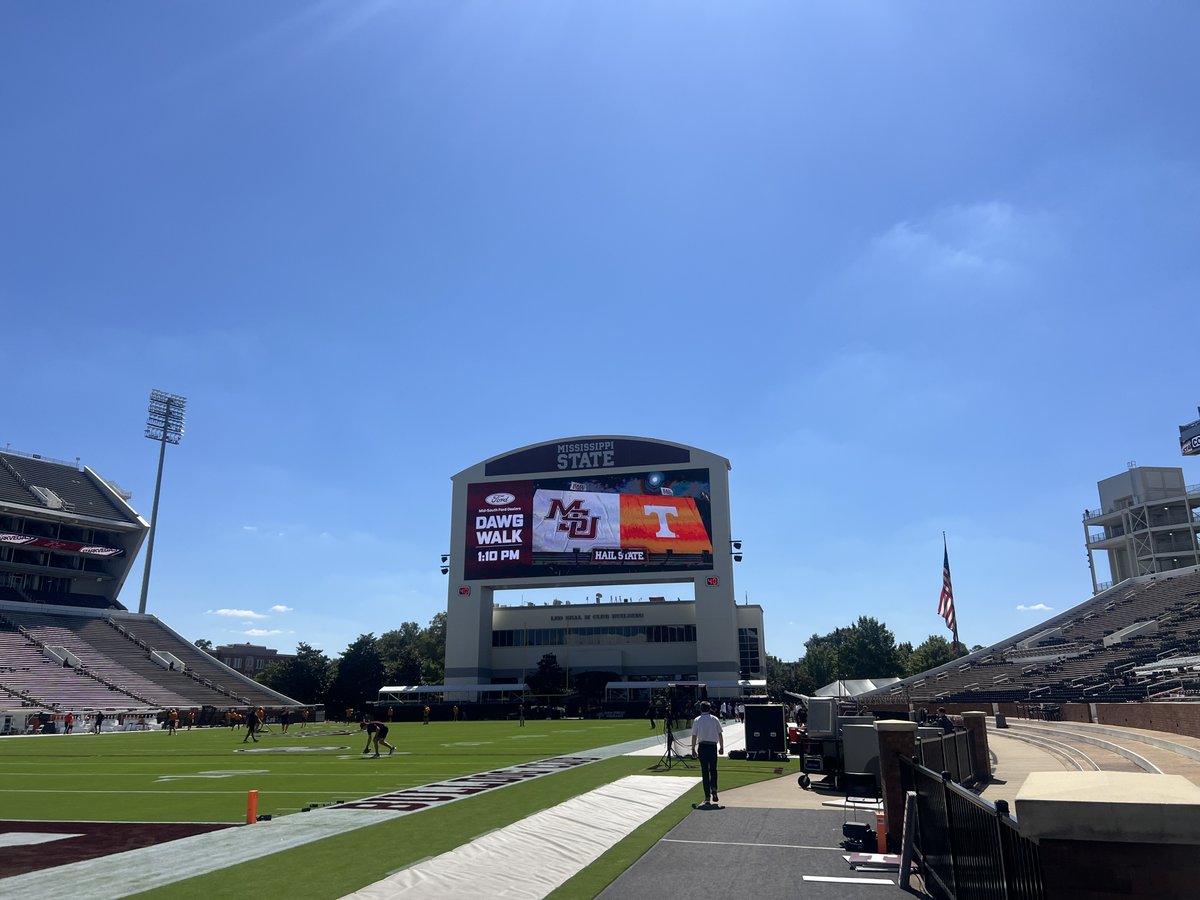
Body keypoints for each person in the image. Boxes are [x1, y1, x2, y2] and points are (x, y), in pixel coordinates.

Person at [690, 701, 724, 806]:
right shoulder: (714, 719)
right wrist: (722, 747)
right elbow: (720, 734)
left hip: (703, 746)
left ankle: (707, 796)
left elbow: (694, 735)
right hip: (712, 746)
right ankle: (714, 789)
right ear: (710, 709)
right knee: (713, 769)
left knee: (705, 771)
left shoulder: (697, 720)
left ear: (700, 709)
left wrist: (693, 749)